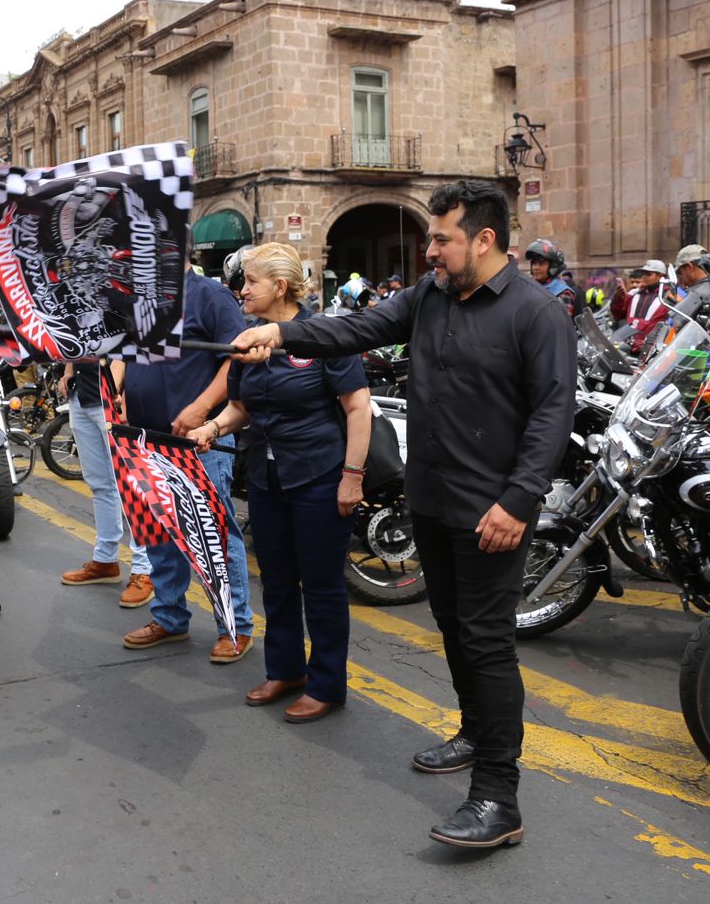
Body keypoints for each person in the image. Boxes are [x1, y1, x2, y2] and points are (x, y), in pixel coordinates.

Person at [232, 180, 576, 849]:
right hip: (435, 500)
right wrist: (280, 331)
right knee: (450, 625)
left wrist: (517, 500)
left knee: (487, 643)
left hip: (493, 512)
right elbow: (356, 328)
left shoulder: (536, 314)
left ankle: (498, 799)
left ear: (483, 239)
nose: (431, 250)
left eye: (442, 238)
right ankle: (474, 733)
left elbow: (551, 415)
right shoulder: (431, 298)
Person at [192, 242, 367, 711]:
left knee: (322, 585)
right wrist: (210, 427)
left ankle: (326, 686)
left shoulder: (324, 335)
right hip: (268, 481)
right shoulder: (248, 339)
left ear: (280, 287)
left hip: (318, 476)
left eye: (250, 281)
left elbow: (357, 407)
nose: (241, 289)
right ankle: (285, 672)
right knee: (277, 579)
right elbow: (240, 407)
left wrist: (352, 476)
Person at [120, 248, 254, 662]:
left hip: (199, 442)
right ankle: (170, 617)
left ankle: (235, 626)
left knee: (213, 535)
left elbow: (237, 359)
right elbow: (126, 356)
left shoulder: (211, 296)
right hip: (146, 439)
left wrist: (199, 409)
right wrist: (121, 406)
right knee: (158, 533)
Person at [57, 356, 155, 608]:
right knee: (99, 483)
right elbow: (74, 340)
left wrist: (114, 387)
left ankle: (145, 569)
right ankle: (105, 559)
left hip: (113, 396)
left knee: (133, 485)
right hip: (82, 395)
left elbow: (125, 345)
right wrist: (69, 371)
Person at [611, 259, 670, 355]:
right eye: (643, 273)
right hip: (626, 346)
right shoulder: (635, 293)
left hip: (650, 350)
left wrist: (642, 341)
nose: (644, 277)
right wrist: (618, 297)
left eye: (648, 274)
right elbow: (618, 314)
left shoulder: (667, 296)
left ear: (661, 276)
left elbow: (659, 323)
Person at [523, 239, 577, 317]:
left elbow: (561, 323)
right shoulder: (527, 286)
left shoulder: (562, 292)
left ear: (553, 266)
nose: (536, 268)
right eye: (534, 263)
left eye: (541, 263)